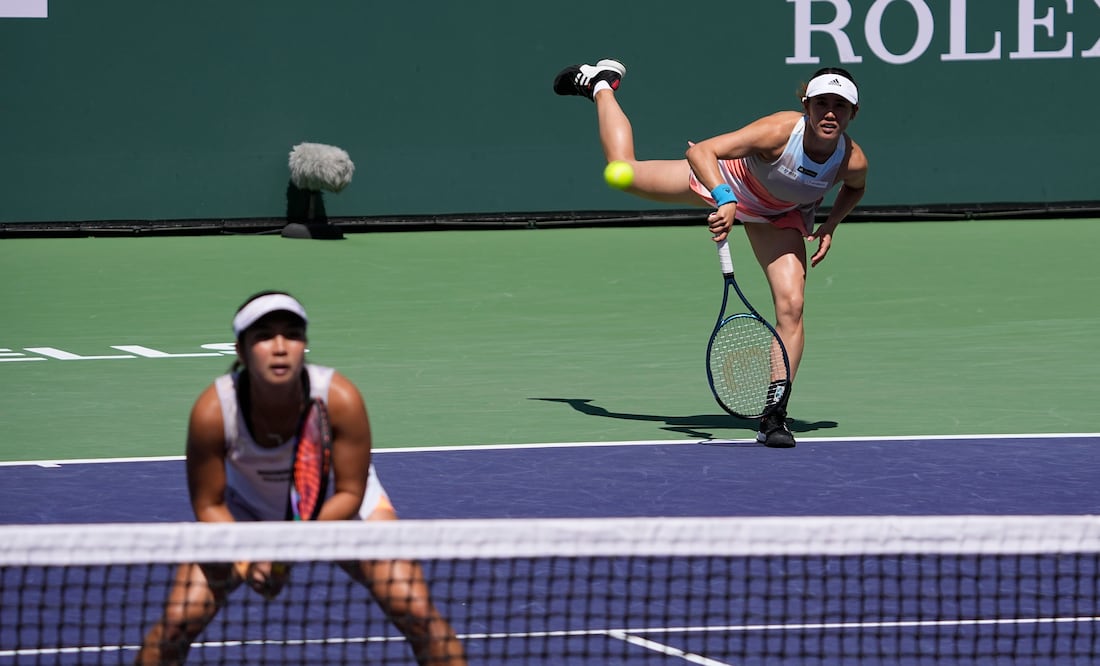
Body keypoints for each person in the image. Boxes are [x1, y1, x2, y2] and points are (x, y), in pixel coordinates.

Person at [136, 291, 466, 665]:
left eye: (291, 334)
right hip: (243, 512)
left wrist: (289, 548)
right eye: (263, 336)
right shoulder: (213, 412)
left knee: (417, 611)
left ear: (304, 345)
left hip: (336, 508)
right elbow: (209, 505)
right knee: (178, 623)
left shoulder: (339, 398)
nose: (280, 347)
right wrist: (248, 559)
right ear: (241, 351)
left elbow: (350, 492)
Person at [553, 59, 868, 448]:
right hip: (726, 182)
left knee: (792, 307)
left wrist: (831, 224)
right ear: (807, 105)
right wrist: (725, 197)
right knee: (623, 170)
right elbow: (702, 152)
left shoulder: (851, 159)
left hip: (778, 216)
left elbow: (855, 187)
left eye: (840, 106)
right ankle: (601, 85)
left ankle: (774, 416)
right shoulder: (777, 132)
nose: (830, 113)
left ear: (854, 112)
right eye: (822, 104)